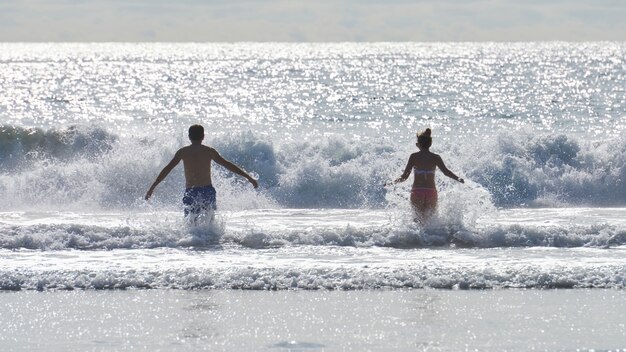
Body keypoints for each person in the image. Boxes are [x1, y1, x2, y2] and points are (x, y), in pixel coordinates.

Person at [145, 124, 258, 217]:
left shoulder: (183, 152)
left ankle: (193, 243)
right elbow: (227, 165)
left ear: (189, 136)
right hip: (207, 191)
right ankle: (208, 243)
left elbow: (167, 169)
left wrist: (152, 187)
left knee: (191, 223)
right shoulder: (209, 151)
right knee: (209, 223)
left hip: (191, 192)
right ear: (203, 136)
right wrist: (248, 177)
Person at [391, 128, 464, 223]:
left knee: (417, 220)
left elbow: (404, 177)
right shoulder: (436, 157)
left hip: (417, 191)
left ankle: (418, 238)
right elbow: (446, 172)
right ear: (430, 144)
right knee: (430, 221)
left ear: (418, 144)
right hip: (431, 191)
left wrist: (392, 183)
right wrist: (458, 178)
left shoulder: (414, 156)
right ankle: (432, 237)